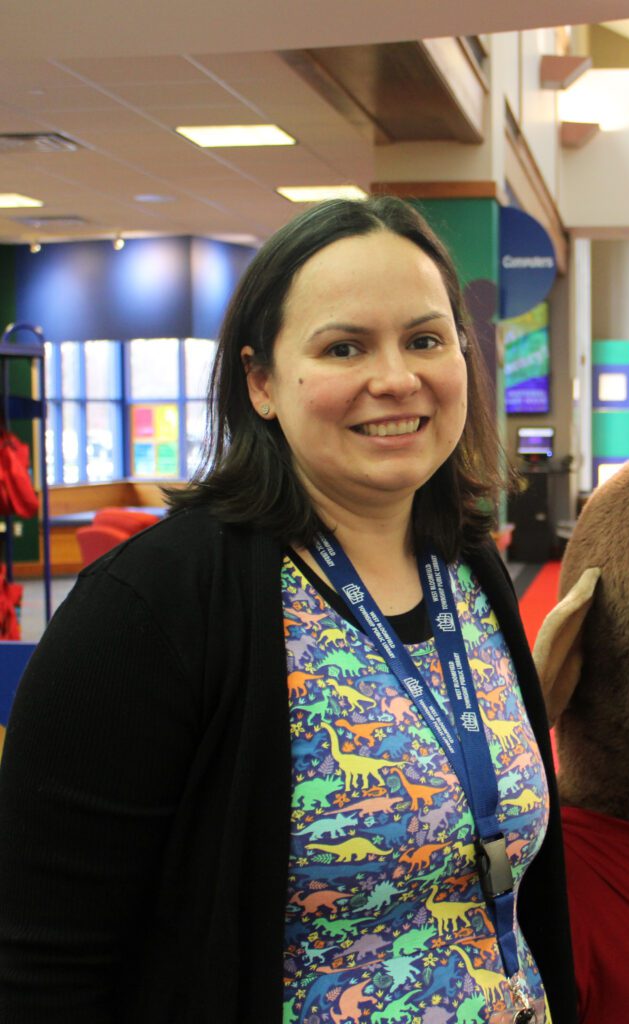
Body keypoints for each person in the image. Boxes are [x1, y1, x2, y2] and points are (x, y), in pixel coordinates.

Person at [0, 196, 576, 1024]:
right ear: (262, 384)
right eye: (345, 346)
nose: (396, 378)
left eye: (425, 339)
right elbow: (45, 964)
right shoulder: (152, 606)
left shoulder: (469, 566)